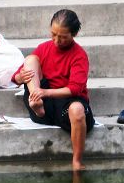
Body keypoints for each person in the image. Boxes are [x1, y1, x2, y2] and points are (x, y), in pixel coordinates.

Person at [12, 9, 95, 171]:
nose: (57, 41)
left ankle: (77, 161)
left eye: (63, 37)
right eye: (53, 35)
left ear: (74, 34)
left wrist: (46, 92)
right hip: (43, 104)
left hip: (67, 105)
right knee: (30, 59)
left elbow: (76, 88)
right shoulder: (44, 48)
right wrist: (20, 78)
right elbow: (16, 77)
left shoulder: (79, 55)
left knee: (77, 110)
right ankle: (39, 109)